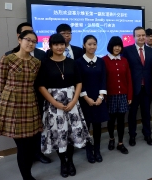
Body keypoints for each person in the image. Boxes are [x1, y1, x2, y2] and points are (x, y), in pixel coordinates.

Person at [37, 34, 92, 178]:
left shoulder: (71, 62)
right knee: (59, 135)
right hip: (53, 105)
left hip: (72, 102)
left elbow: (79, 82)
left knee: (71, 134)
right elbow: (41, 86)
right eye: (56, 44)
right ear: (51, 46)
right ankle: (63, 162)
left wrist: (74, 100)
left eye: (62, 44)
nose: (59, 47)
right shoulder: (45, 63)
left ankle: (71, 161)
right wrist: (54, 103)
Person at [0, 30, 41, 180]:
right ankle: (27, 177)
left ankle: (28, 174)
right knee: (22, 146)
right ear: (20, 40)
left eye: (34, 42)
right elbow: (2, 85)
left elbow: (35, 85)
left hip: (29, 104)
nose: (31, 43)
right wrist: (6, 104)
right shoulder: (7, 59)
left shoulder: (36, 62)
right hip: (12, 104)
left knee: (29, 145)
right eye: (28, 40)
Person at [4, 22, 51, 164]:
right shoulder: (9, 56)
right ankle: (25, 156)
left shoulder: (41, 55)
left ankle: (37, 153)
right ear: (19, 37)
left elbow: (44, 77)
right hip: (17, 101)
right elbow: (4, 82)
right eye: (26, 35)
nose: (30, 40)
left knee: (37, 129)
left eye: (32, 37)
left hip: (37, 98)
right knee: (20, 134)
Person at [76, 35, 109, 163]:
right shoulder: (78, 62)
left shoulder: (101, 61)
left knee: (97, 127)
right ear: (84, 45)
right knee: (86, 127)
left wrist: (101, 96)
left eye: (94, 44)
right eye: (89, 44)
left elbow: (103, 80)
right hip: (85, 99)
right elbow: (78, 81)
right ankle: (89, 151)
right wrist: (86, 97)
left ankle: (97, 150)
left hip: (98, 99)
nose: (92, 46)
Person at [122, 26, 152, 146]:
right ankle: (132, 135)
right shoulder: (127, 51)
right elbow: (125, 71)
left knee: (146, 113)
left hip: (147, 88)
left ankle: (147, 134)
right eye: (139, 35)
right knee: (132, 115)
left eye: (143, 35)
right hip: (133, 89)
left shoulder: (151, 51)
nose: (141, 37)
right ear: (134, 37)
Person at [102, 36, 133, 154]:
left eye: (119, 46)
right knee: (111, 120)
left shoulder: (124, 60)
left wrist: (129, 96)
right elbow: (103, 80)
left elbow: (129, 79)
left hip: (123, 95)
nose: (117, 48)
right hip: (110, 96)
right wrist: (103, 96)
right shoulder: (104, 60)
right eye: (115, 46)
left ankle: (120, 143)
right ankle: (111, 139)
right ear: (111, 46)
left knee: (121, 120)